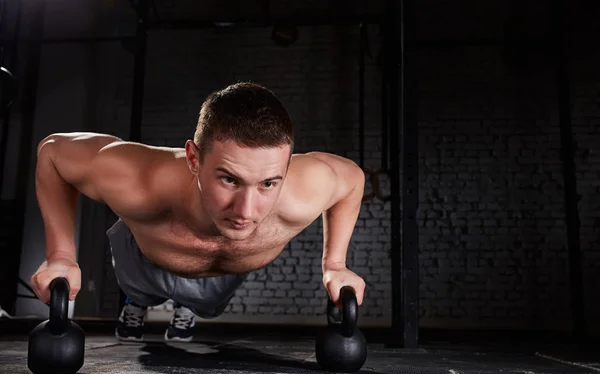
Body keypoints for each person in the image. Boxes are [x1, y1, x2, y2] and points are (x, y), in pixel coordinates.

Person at [29, 82, 367, 342]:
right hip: (144, 258)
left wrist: (335, 265)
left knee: (206, 303)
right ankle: (136, 302)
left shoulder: (307, 187)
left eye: (267, 184)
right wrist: (60, 254)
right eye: (229, 179)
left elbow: (353, 179)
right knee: (140, 285)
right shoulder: (139, 179)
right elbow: (53, 154)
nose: (246, 211)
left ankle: (187, 305)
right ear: (193, 158)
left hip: (217, 281)